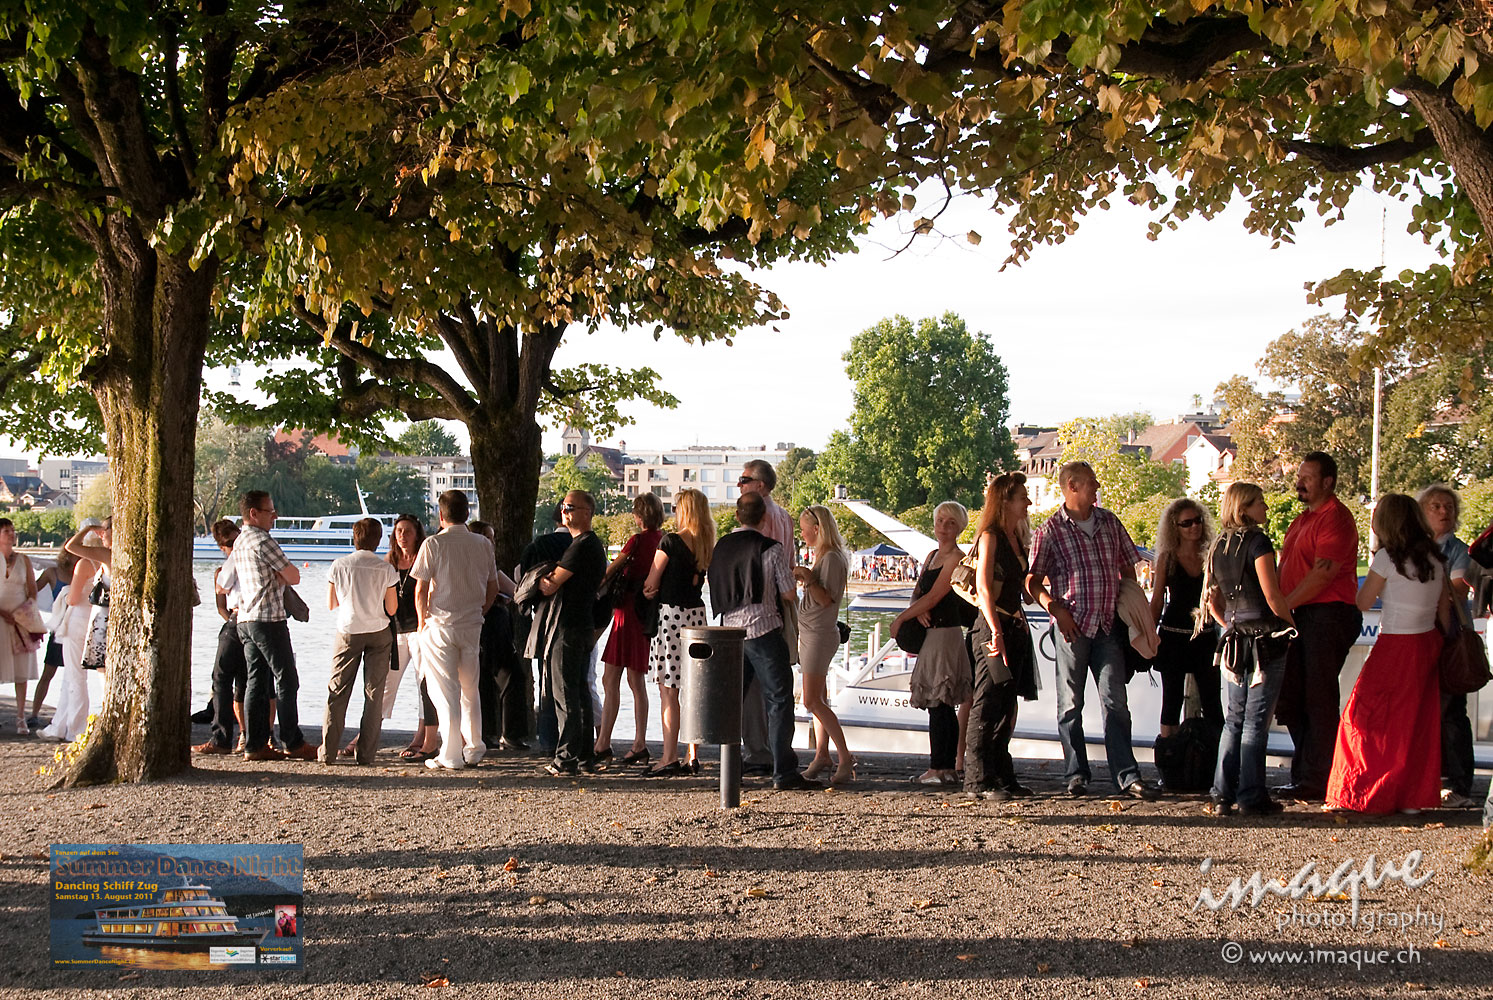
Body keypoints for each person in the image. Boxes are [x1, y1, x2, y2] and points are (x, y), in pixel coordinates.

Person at [1026, 461, 1159, 799]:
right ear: (1072, 486)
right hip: (1071, 628)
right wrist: (1055, 609)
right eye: (1091, 482)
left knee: (1116, 702)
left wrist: (1128, 604)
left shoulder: (1109, 522)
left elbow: (1128, 565)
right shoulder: (1050, 530)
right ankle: (1076, 773)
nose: (1097, 486)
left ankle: (1126, 775)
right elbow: (1032, 581)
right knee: (1070, 704)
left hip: (1107, 625)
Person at [1326, 493, 1451, 815]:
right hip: (1427, 643)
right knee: (1414, 722)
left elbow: (1363, 602)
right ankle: (1411, 797)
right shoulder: (1436, 558)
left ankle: (1362, 791)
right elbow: (1443, 609)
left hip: (1395, 643)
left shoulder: (1386, 559)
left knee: (1362, 717)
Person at [708, 491, 817, 790]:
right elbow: (788, 593)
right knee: (779, 700)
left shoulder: (721, 547)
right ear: (765, 518)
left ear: (737, 516)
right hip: (764, 631)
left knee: (733, 703)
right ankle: (783, 772)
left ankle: (731, 770)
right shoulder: (771, 549)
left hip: (730, 634)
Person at [1202, 483, 1296, 817]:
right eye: (1260, 503)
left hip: (1234, 639)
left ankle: (1221, 793)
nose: (1266, 508)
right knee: (1256, 721)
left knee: (1234, 719)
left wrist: (1226, 624)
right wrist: (1291, 624)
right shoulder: (1258, 543)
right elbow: (1271, 594)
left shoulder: (1219, 544)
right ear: (1244, 509)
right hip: (1264, 639)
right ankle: (1252, 795)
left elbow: (1214, 600)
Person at [1274, 451, 1361, 801]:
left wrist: (1283, 606)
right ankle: (1307, 772)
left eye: (1307, 478)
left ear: (1328, 482)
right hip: (1301, 615)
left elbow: (1323, 574)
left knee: (1318, 697)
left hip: (1327, 614)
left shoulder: (1335, 518)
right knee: (1291, 696)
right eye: (1299, 476)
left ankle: (1319, 777)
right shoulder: (1302, 520)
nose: (1300, 483)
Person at [412, 490, 501, 771]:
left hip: (440, 625)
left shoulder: (433, 544)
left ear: (441, 515)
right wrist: (480, 611)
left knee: (444, 690)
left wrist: (421, 622)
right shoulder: (483, 544)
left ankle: (450, 754)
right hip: (471, 625)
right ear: (467, 513)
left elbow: (420, 589)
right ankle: (474, 747)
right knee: (470, 689)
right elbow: (494, 586)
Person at [965, 474, 1039, 799]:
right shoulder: (990, 537)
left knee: (1006, 705)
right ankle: (977, 780)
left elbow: (1020, 589)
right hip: (992, 627)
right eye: (1023, 497)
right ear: (1005, 502)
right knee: (987, 703)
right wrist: (996, 631)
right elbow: (983, 588)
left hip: (1013, 626)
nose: (1028, 503)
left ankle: (1001, 775)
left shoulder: (1015, 538)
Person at [891, 502, 973, 787]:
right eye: (940, 521)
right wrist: (916, 611)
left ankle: (940, 766)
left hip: (945, 634)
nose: (943, 527)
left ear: (959, 527)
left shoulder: (956, 558)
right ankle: (943, 766)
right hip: (932, 634)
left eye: (950, 523)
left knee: (940, 701)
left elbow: (935, 596)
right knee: (939, 704)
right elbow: (919, 594)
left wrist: (902, 618)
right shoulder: (931, 556)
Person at [231, 492, 317, 762]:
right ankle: (292, 740)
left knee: (255, 682)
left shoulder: (240, 541)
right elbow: (294, 575)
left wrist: (279, 576)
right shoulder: (262, 541)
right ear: (254, 513)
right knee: (287, 680)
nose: (275, 516)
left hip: (246, 619)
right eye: (270, 511)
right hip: (268, 619)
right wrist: (281, 576)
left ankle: (254, 744)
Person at [530, 490, 607, 776]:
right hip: (582, 625)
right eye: (564, 506)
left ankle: (566, 759)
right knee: (580, 693)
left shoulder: (582, 546)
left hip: (568, 628)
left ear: (588, 512)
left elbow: (551, 583)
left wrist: (544, 579)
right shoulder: (591, 545)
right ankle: (585, 756)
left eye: (571, 507)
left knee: (565, 695)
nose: (565, 511)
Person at [641, 488, 714, 776]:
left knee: (668, 691)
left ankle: (668, 756)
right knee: (693, 687)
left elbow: (651, 582)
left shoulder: (670, 541)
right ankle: (692, 753)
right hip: (697, 617)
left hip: (671, 617)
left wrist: (649, 590)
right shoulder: (706, 544)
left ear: (683, 511)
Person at [1418, 484, 1479, 809]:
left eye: (1449, 507)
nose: (1444, 512)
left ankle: (1457, 783)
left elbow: (1455, 589)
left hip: (1450, 639)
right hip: (1419, 636)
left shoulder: (1459, 551)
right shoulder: (1414, 548)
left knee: (1452, 712)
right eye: (1436, 506)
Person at [321, 518, 400, 765]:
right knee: (374, 694)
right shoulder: (386, 569)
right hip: (378, 632)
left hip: (348, 630)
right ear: (378, 540)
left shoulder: (338, 565)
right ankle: (365, 754)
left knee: (338, 691)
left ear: (354, 538)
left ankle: (328, 752)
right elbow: (392, 608)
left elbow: (331, 603)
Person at [735, 460, 793, 777]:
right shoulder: (785, 516)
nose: (740, 484)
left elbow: (757, 564)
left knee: (752, 690)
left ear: (760, 485)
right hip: (777, 611)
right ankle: (777, 754)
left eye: (744, 479)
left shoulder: (762, 518)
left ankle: (758, 750)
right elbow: (789, 564)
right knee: (776, 690)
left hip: (754, 614)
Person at [597, 493, 664, 763]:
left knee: (609, 678)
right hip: (645, 615)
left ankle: (603, 743)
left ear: (639, 516)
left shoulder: (636, 541)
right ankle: (639, 742)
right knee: (637, 682)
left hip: (626, 612)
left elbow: (611, 570)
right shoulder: (662, 540)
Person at [1149, 498, 1223, 737]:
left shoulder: (1211, 556)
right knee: (1171, 702)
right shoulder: (1167, 558)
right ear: (1175, 527)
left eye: (1198, 520)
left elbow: (1221, 599)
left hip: (1205, 636)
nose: (1195, 526)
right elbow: (1157, 601)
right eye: (1187, 523)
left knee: (1213, 703)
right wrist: (1148, 636)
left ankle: (1213, 755)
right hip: (1173, 637)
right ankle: (1168, 756)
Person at [794, 504, 855, 785]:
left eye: (804, 529)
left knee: (810, 700)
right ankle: (822, 754)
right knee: (820, 697)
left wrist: (807, 577)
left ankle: (844, 756)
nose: (802, 534)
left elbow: (825, 599)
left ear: (817, 529)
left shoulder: (830, 558)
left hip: (818, 633)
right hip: (812, 632)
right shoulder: (828, 556)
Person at [194, 519, 254, 755]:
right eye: (229, 543)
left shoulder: (246, 565)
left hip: (246, 622)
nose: (234, 546)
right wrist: (231, 619)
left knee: (239, 681)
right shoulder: (221, 572)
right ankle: (226, 734)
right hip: (235, 622)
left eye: (236, 540)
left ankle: (235, 735)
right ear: (222, 547)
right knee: (224, 679)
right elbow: (221, 606)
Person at [466, 520, 519, 753]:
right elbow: (512, 590)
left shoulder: (484, 564)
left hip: (490, 624)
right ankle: (497, 733)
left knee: (497, 677)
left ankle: (495, 732)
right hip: (489, 625)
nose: (492, 542)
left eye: (492, 538)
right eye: (488, 537)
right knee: (493, 678)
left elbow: (511, 590)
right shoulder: (485, 566)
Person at [28, 548, 76, 729]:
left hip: (78, 629)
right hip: (59, 629)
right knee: (48, 673)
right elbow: (31, 590)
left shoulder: (86, 571)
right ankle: (34, 714)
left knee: (74, 676)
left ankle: (68, 717)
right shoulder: (52, 572)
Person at [0, 518, 40, 736]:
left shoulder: (24, 560)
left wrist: (24, 612)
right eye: (6, 531)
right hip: (0, 617)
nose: (11, 534)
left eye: (13, 530)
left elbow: (32, 590)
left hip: (20, 619)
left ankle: (20, 716)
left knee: (21, 669)